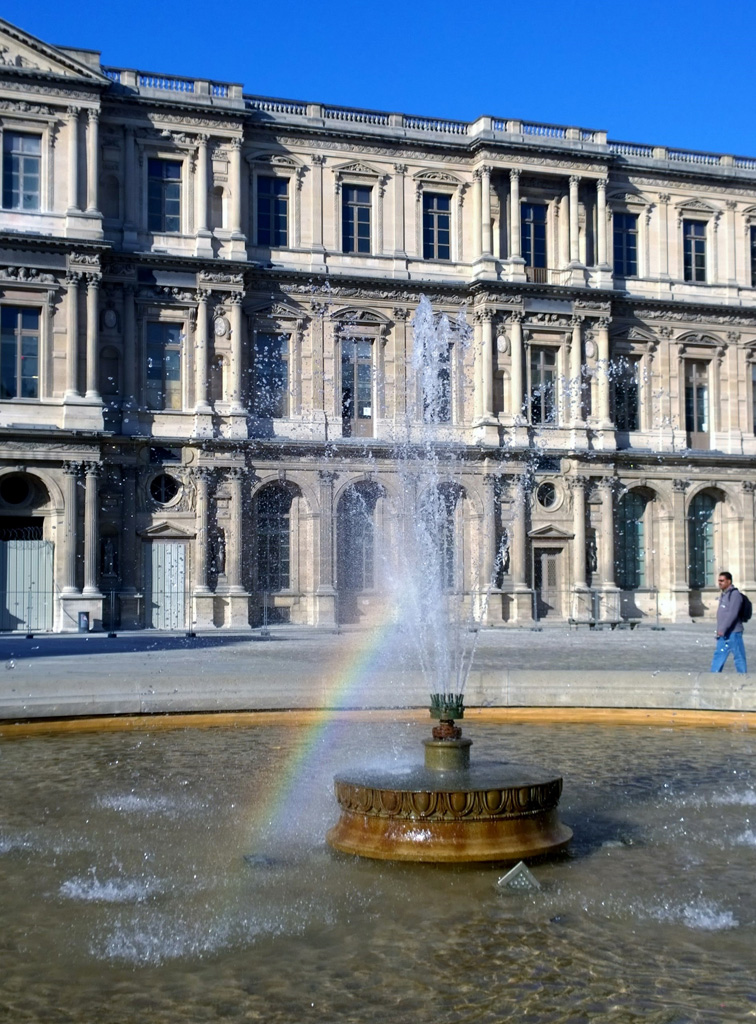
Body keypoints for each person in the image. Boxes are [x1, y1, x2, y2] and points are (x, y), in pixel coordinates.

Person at [711, 571, 748, 673]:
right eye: (719, 581)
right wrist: (720, 630)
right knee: (719, 655)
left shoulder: (735, 595)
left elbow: (732, 614)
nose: (719, 583)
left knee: (738, 655)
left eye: (722, 581)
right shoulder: (724, 594)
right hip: (723, 633)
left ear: (729, 581)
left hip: (734, 632)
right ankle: (713, 677)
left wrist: (722, 629)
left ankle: (743, 677)